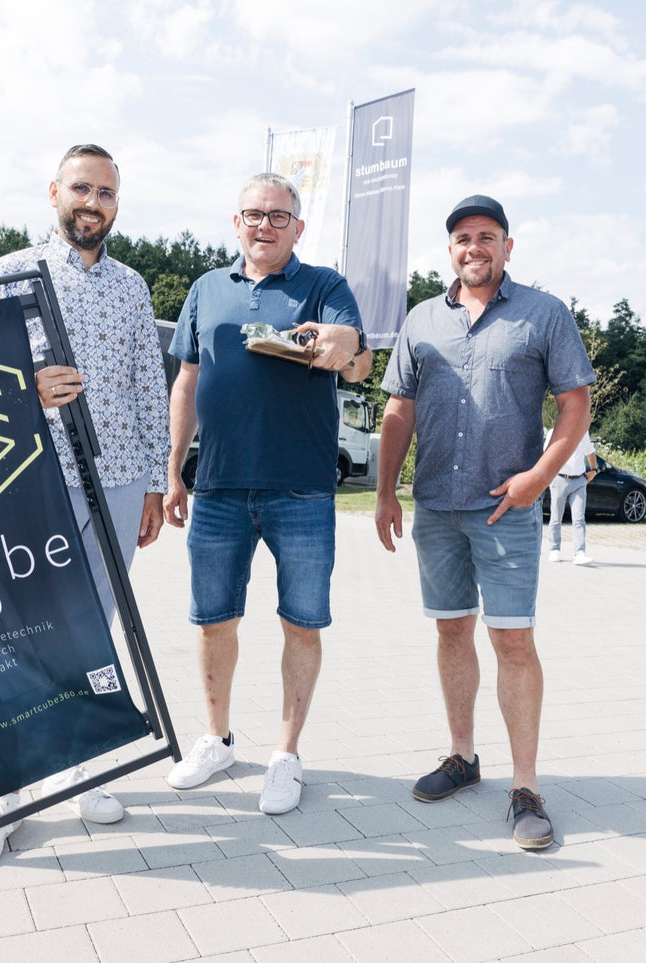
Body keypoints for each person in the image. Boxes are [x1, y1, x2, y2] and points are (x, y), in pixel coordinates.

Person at [0, 143, 170, 867]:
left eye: (106, 193)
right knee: (23, 632)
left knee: (89, 634)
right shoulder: (12, 272)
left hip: (118, 480)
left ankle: (80, 768)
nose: (93, 203)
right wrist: (26, 383)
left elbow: (149, 384)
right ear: (55, 192)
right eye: (82, 188)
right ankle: (6, 795)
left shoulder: (132, 286)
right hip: (32, 477)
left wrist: (155, 482)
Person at [374, 194, 595, 850]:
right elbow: (399, 410)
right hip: (436, 506)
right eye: (463, 238)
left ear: (507, 246)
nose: (475, 247)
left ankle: (525, 786)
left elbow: (575, 403)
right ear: (450, 250)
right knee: (450, 631)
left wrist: (539, 477)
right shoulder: (421, 319)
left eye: (487, 236)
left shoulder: (544, 314)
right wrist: (385, 491)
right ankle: (463, 756)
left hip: (506, 507)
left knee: (513, 643)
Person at [163, 172, 372, 815]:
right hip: (218, 484)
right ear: (237, 222)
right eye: (254, 214)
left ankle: (286, 754)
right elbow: (186, 381)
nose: (265, 225)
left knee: (301, 624)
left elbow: (356, 355)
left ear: (298, 228)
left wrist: (340, 344)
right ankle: (217, 739)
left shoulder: (325, 286)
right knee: (212, 619)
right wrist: (173, 471)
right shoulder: (206, 288)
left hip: (301, 489)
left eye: (279, 216)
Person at [546, 429, 598, 566]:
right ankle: (554, 549)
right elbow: (545, 455)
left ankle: (579, 553)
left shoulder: (583, 432)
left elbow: (590, 452)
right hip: (559, 479)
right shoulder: (553, 432)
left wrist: (594, 470)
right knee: (556, 517)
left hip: (579, 481)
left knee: (579, 519)